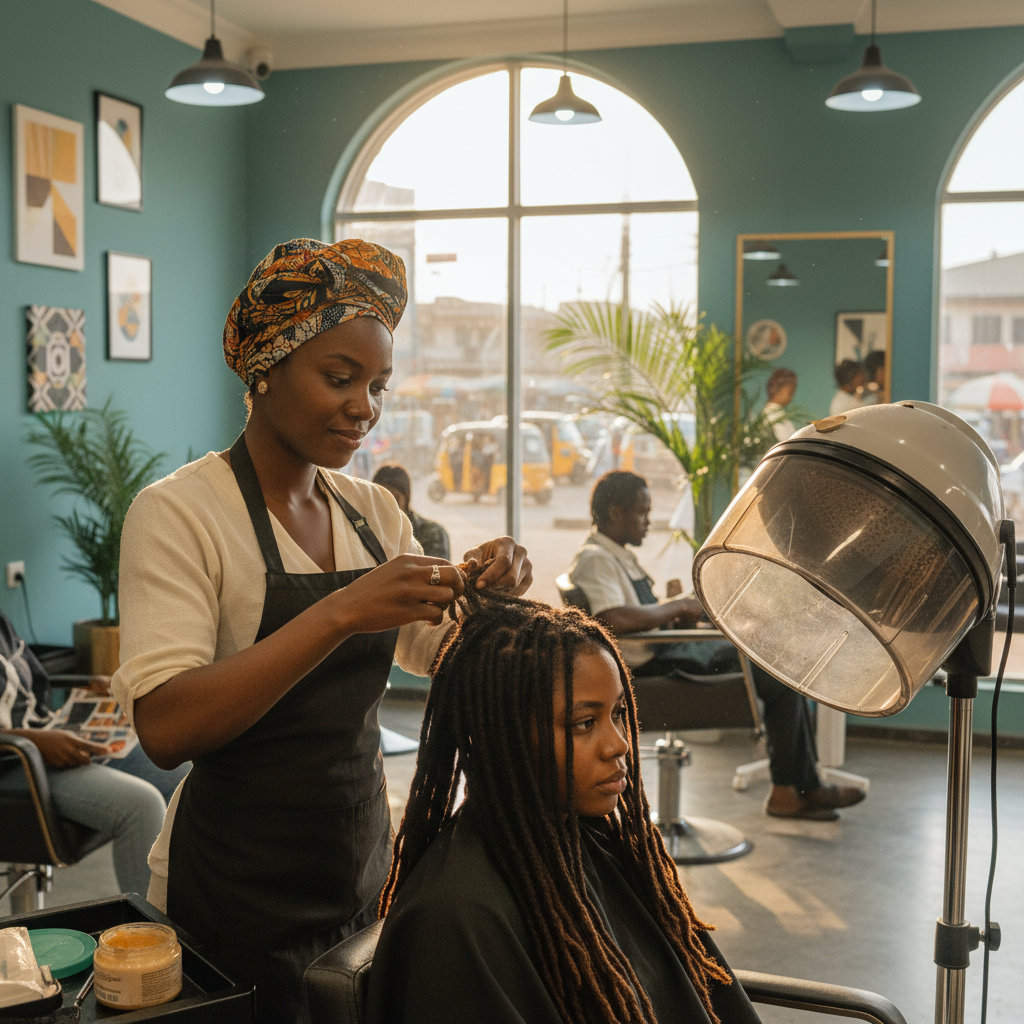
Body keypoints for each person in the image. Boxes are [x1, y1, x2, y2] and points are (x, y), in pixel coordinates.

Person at [111, 238, 532, 1024]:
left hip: (360, 864)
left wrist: (491, 595)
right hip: (233, 892)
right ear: (265, 366)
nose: (364, 407)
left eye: (376, 386)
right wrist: (340, 611)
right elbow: (167, 726)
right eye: (339, 378)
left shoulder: (370, 512)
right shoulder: (178, 514)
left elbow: (435, 648)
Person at [365, 585, 761, 1024]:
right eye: (584, 723)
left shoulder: (592, 839)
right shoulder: (456, 918)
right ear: (505, 738)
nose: (619, 745)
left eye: (619, 714)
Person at [566, 471, 865, 821]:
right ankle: (792, 791)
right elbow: (610, 618)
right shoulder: (596, 558)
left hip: (663, 655)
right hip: (650, 674)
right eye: (642, 511)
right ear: (617, 512)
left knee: (771, 658)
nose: (648, 521)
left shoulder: (615, 556)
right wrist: (677, 607)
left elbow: (629, 614)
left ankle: (800, 786)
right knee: (779, 675)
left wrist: (671, 613)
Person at [0, 609, 186, 898]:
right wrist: (34, 740)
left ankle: (188, 907)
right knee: (142, 805)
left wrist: (86, 688)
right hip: (13, 760)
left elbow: (21, 684)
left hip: (39, 734)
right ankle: (150, 936)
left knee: (181, 770)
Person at [372, 462, 450, 559]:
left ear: (407, 499)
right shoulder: (366, 533)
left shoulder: (433, 533)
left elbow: (438, 572)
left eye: (394, 500)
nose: (386, 507)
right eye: (379, 500)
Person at [763, 367, 798, 442]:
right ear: (784, 389)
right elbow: (786, 443)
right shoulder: (774, 417)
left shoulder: (774, 414)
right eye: (791, 392)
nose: (791, 397)